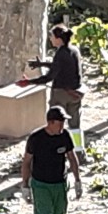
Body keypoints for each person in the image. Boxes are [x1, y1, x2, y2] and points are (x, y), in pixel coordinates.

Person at [21, 106, 83, 214]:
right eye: (60, 122)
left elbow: (71, 157)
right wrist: (25, 185)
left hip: (60, 184)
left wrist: (77, 180)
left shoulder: (64, 136)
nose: (62, 125)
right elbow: (26, 162)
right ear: (51, 122)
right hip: (41, 185)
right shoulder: (36, 138)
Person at [22, 24, 88, 162]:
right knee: (75, 124)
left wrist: (29, 82)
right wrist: (42, 65)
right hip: (75, 93)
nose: (50, 39)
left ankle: (55, 150)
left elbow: (49, 77)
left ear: (58, 39)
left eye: (52, 36)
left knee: (56, 123)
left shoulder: (60, 54)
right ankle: (80, 153)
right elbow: (61, 65)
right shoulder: (74, 50)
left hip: (61, 93)